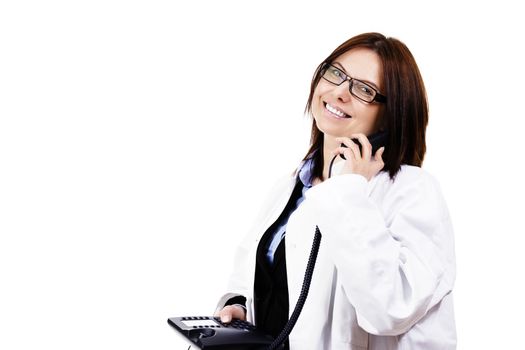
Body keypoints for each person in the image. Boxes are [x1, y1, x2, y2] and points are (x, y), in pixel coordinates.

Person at [214, 32, 456, 350]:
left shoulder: (412, 191)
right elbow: (255, 273)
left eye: (365, 90)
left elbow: (390, 308)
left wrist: (349, 192)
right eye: (337, 73)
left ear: (391, 114)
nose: (340, 92)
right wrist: (240, 306)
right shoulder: (291, 186)